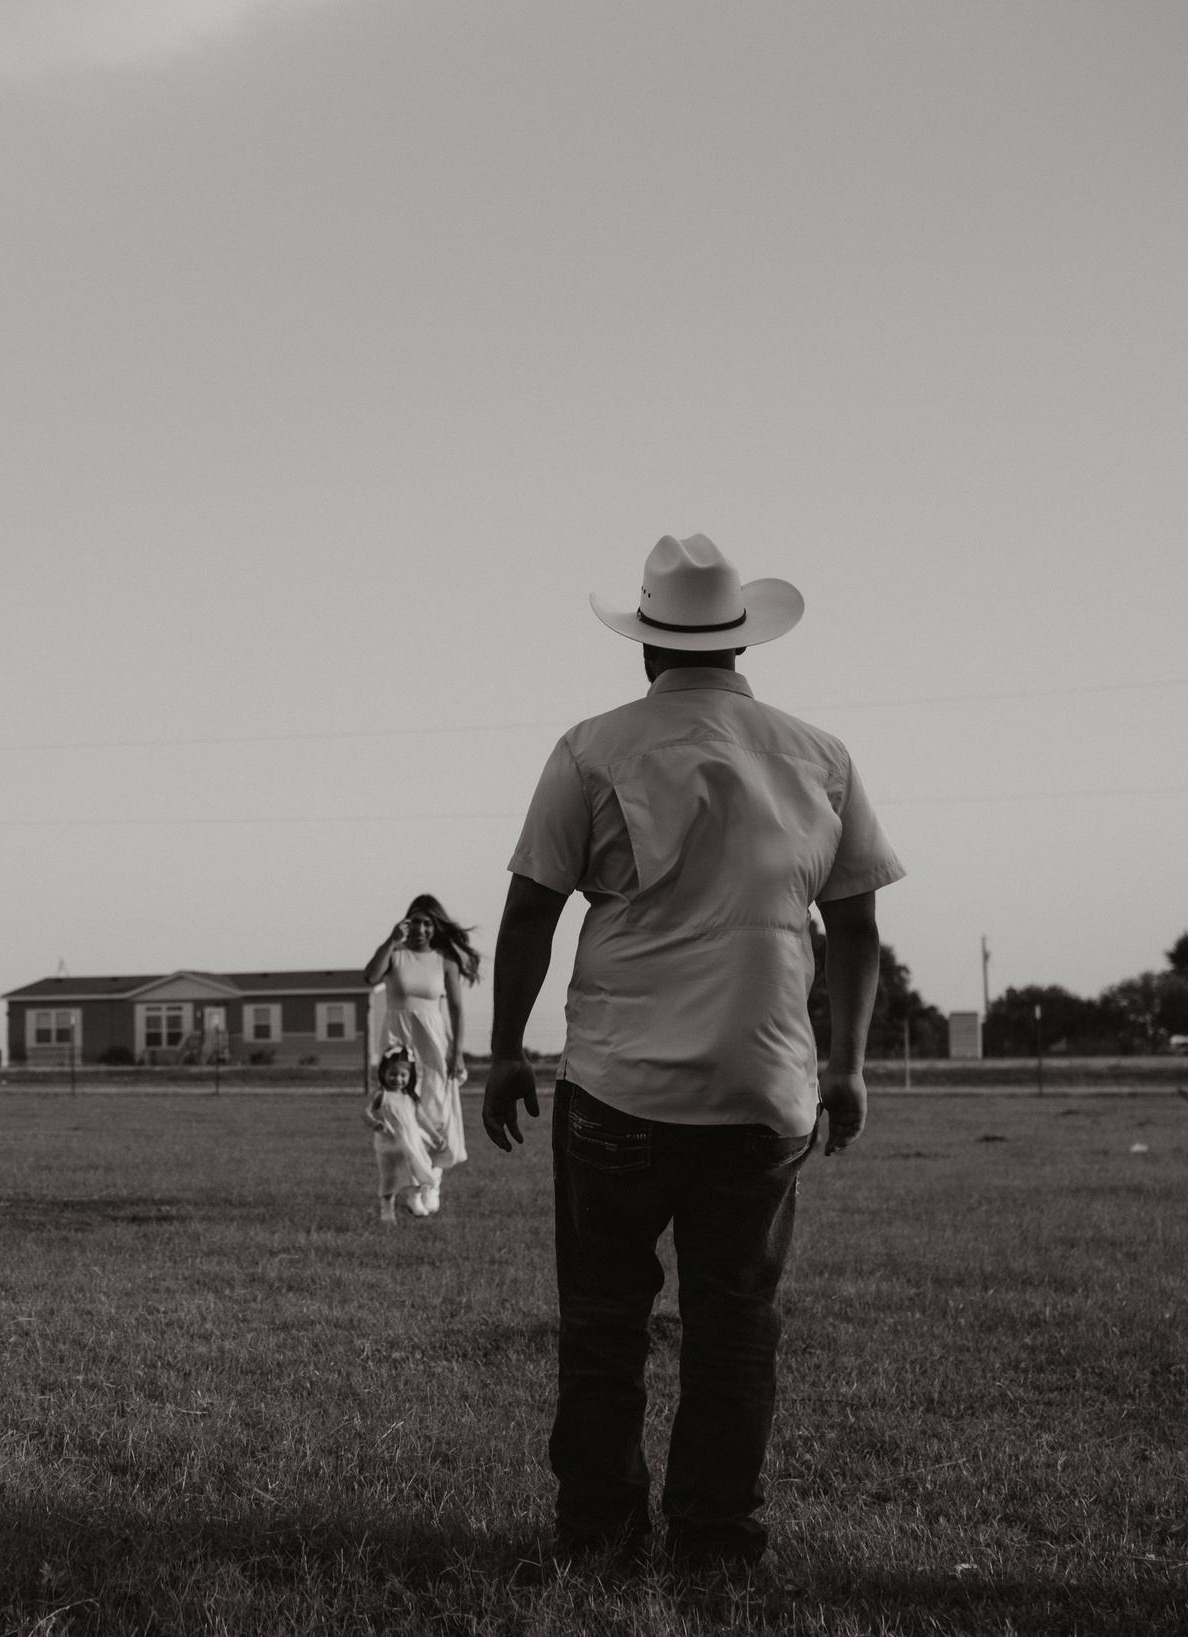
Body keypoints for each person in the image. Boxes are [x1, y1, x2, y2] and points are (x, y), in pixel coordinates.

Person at [479, 534, 903, 1581]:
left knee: (604, 1321)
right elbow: (855, 927)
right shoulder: (821, 756)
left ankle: (600, 1536)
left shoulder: (592, 748)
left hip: (617, 1085)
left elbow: (530, 910)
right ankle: (716, 1542)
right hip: (763, 1090)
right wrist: (845, 1066)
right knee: (735, 1324)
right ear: (742, 641)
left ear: (644, 645)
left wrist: (505, 1051)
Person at [362, 895, 479, 1189]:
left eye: (427, 923)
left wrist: (457, 1052)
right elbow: (370, 976)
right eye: (415, 921)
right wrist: (391, 940)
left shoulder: (445, 960)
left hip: (434, 1042)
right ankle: (419, 1184)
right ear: (406, 923)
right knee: (405, 1114)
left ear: (435, 927)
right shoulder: (395, 953)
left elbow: (456, 1009)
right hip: (398, 1041)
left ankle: (432, 1181)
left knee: (436, 1111)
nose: (421, 929)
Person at [367, 1046, 441, 1222]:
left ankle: (417, 1197)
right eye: (393, 1074)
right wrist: (374, 1123)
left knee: (417, 1169)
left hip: (409, 1144)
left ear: (410, 1076)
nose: (397, 1079)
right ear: (384, 1073)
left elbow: (421, 1118)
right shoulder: (381, 1095)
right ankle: (387, 1211)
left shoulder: (410, 1097)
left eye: (403, 1075)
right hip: (388, 1146)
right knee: (389, 1178)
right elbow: (365, 1112)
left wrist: (434, 1135)